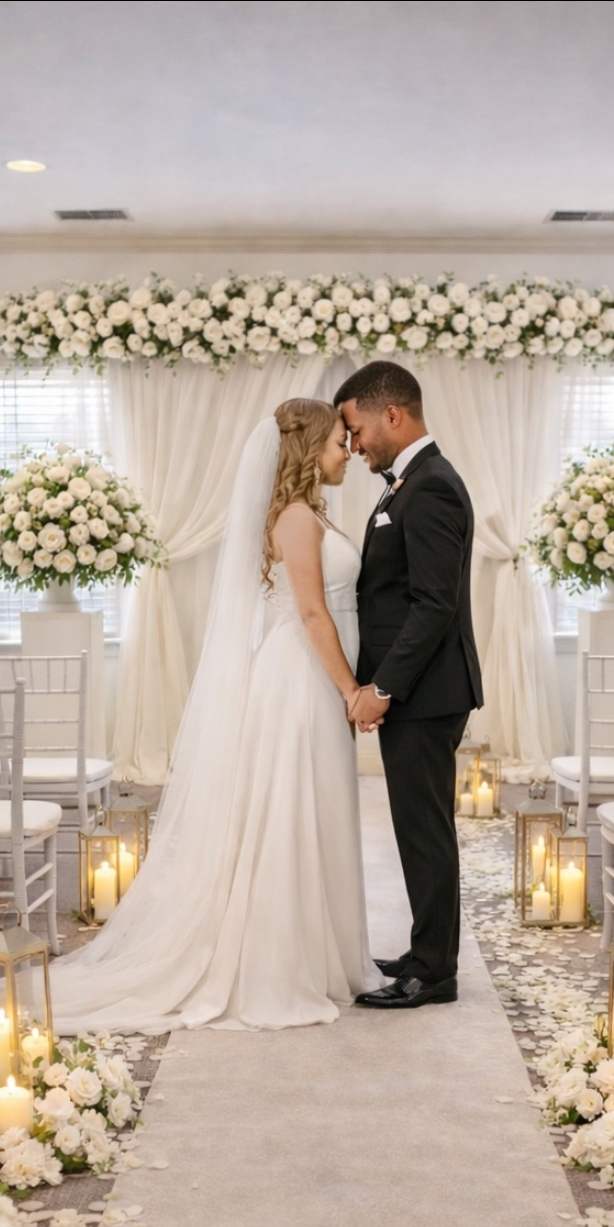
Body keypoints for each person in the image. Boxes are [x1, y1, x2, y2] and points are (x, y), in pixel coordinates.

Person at [49, 400, 378, 1033]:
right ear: (310, 448)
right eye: (340, 441)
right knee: (289, 813)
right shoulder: (296, 518)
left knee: (316, 808)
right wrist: (351, 691)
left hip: (308, 677)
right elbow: (313, 615)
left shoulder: (308, 513)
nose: (347, 452)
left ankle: (323, 956)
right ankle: (280, 963)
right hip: (301, 679)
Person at [336, 362, 483, 1010]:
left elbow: (433, 605)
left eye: (356, 427)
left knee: (424, 832)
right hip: (421, 692)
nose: (354, 443)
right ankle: (427, 949)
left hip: (427, 694)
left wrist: (383, 687)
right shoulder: (410, 483)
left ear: (390, 414)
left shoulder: (431, 489)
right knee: (417, 828)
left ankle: (434, 971)